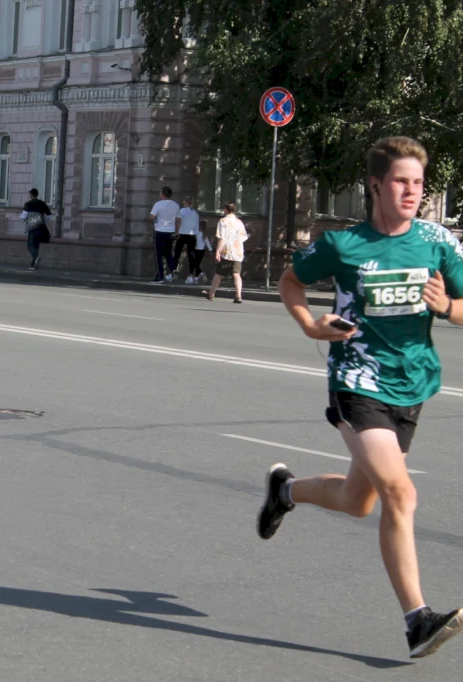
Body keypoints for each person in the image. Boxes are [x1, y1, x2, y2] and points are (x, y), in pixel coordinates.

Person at [261, 136, 463, 659]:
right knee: (401, 494)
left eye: (418, 182)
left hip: (412, 383)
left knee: (360, 500)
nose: (411, 191)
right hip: (357, 381)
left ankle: (285, 492)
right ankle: (418, 620)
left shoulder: (438, 243)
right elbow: (290, 281)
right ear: (374, 185)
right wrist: (310, 325)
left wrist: (448, 308)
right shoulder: (342, 244)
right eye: (400, 180)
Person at [202, 203, 247, 302]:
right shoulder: (239, 222)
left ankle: (211, 293)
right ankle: (238, 295)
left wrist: (218, 251)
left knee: (218, 273)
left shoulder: (223, 221)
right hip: (238, 252)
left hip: (227, 251)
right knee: (236, 274)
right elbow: (243, 237)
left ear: (226, 210)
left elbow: (222, 238)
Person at [149, 186, 180, 283]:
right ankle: (173, 269)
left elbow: (151, 217)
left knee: (158, 255)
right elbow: (178, 221)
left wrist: (153, 218)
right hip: (170, 232)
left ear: (162, 194)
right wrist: (177, 232)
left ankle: (160, 276)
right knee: (168, 253)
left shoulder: (158, 204)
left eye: (160, 192)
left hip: (159, 232)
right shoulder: (175, 205)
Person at [21, 188, 52, 270]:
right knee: (36, 246)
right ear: (37, 195)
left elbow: (24, 216)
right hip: (41, 227)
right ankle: (34, 265)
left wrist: (22, 218)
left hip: (32, 228)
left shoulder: (28, 204)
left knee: (29, 245)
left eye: (30, 194)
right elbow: (49, 215)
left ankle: (36, 257)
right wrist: (42, 220)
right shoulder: (42, 203)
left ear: (31, 195)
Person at [175, 197, 200, 283]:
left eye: (183, 201)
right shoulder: (195, 213)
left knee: (177, 253)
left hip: (182, 234)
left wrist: (177, 232)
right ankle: (191, 275)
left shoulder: (182, 211)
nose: (182, 202)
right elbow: (197, 226)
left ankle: (173, 272)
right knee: (191, 256)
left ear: (186, 202)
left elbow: (178, 222)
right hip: (192, 235)